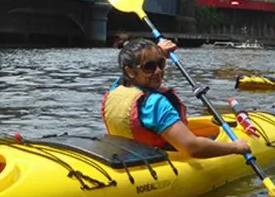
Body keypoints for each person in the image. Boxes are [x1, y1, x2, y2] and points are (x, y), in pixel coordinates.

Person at [101, 37, 251, 158]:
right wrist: (236, 147)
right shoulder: (155, 104)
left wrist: (159, 51)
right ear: (130, 71)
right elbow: (192, 147)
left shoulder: (116, 89)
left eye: (161, 63)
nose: (158, 71)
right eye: (149, 67)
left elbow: (132, 72)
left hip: (128, 155)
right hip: (159, 159)